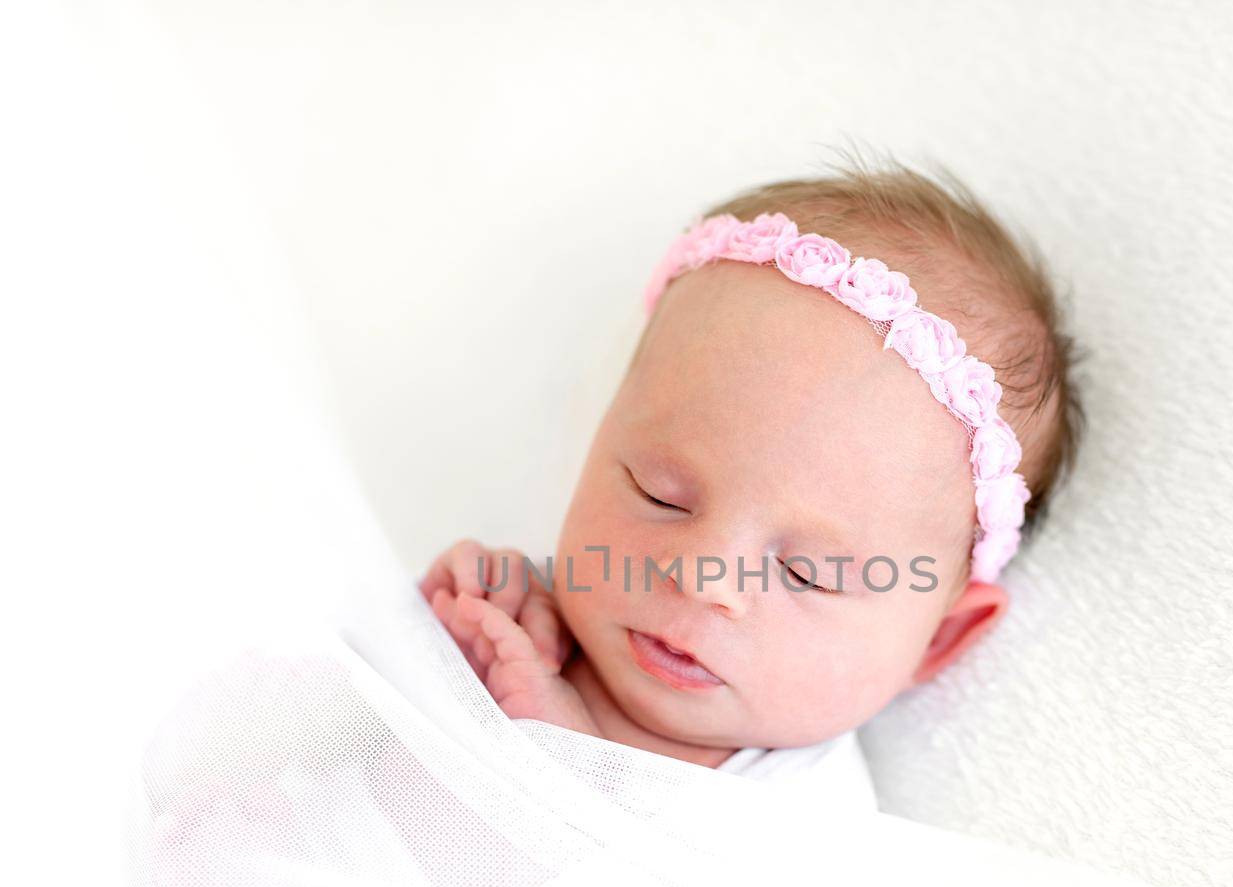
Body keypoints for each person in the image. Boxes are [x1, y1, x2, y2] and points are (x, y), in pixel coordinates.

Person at [419, 155, 1083, 812]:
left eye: (807, 573)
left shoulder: (795, 813)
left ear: (936, 639)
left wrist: (557, 768)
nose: (704, 577)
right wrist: (439, 639)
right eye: (659, 494)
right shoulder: (526, 626)